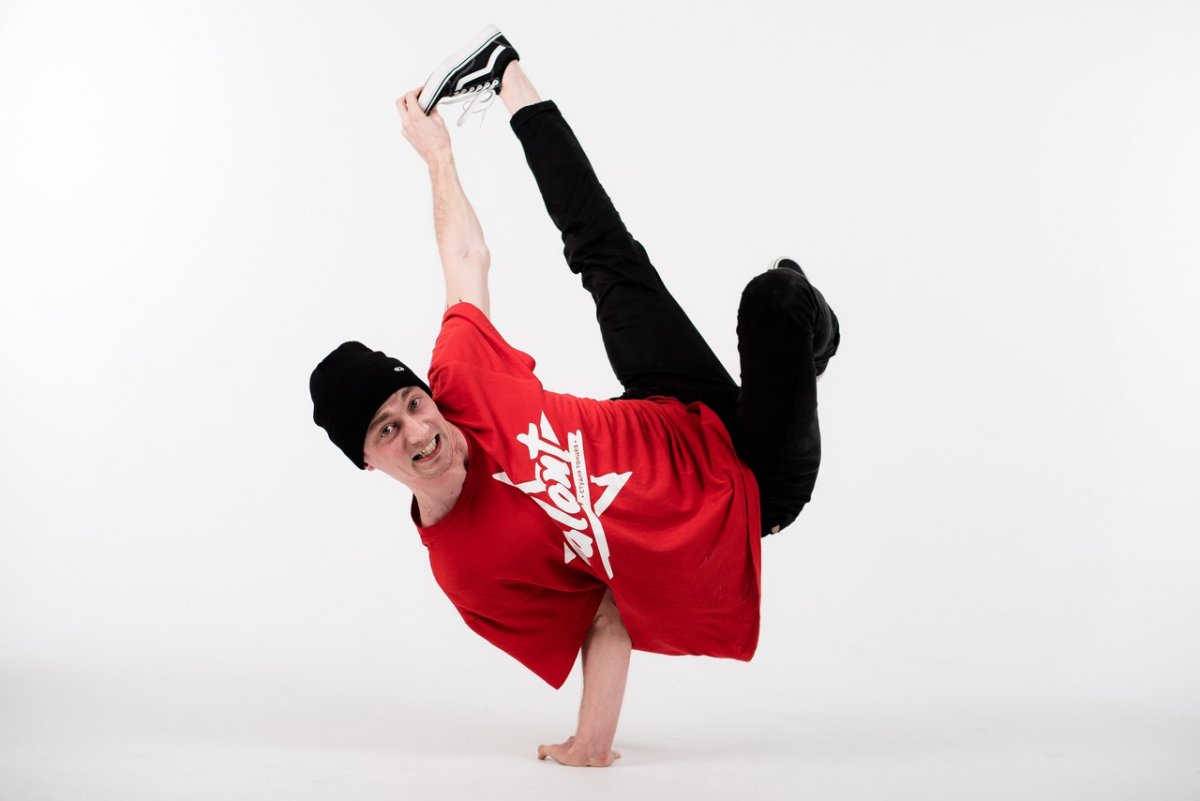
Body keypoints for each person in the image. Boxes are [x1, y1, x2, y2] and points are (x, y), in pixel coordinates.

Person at [309, 25, 840, 768]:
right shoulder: (465, 566)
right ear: (368, 460)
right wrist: (591, 744)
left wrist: (437, 156)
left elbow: (465, 255)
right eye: (386, 430)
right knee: (774, 298)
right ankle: (800, 345)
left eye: (411, 403)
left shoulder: (460, 380)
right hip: (752, 486)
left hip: (671, 405)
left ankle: (505, 72)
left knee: (602, 254)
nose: (418, 429)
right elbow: (602, 616)